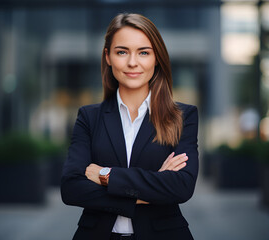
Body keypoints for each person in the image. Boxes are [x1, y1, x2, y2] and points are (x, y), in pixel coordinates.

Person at [61, 13, 199, 240]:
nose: (132, 62)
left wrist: (106, 175)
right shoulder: (89, 117)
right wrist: (151, 189)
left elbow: (181, 186)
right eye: (122, 52)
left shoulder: (182, 116)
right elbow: (71, 188)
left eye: (143, 52)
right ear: (108, 57)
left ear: (157, 58)